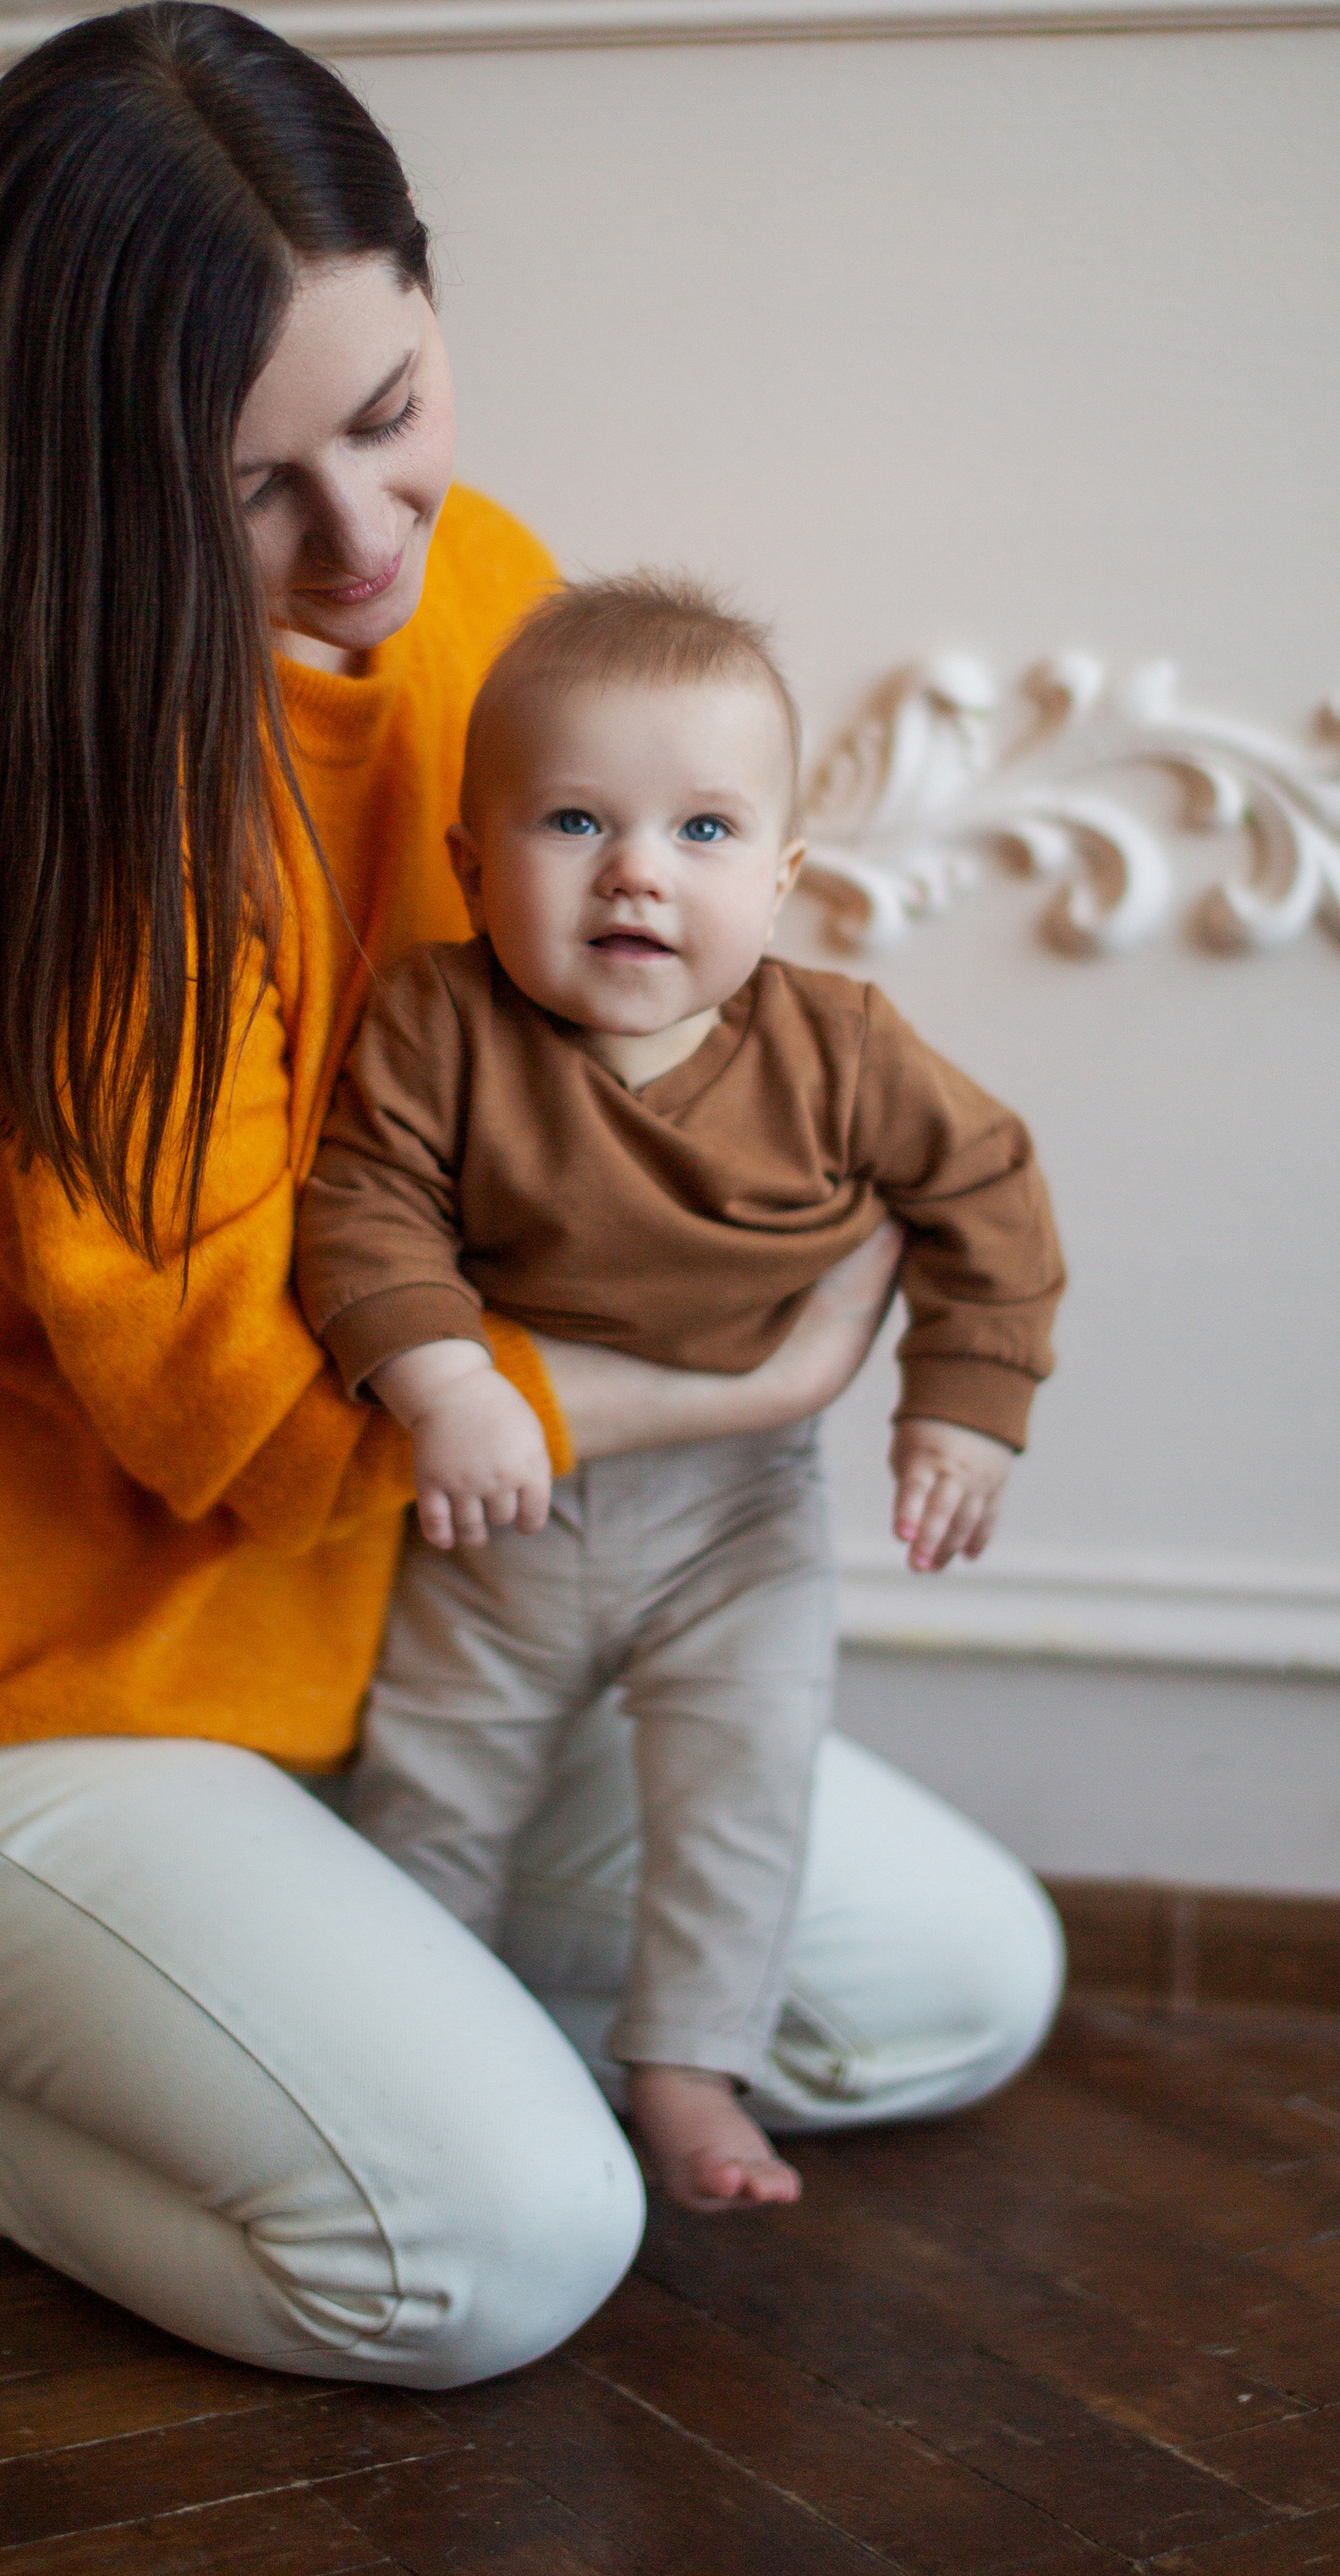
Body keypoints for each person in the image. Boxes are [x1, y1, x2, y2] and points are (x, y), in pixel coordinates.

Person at [0, 0, 1068, 2393]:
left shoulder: (490, 603)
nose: (365, 546)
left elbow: (598, 1071)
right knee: (492, 2254)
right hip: (19, 1687)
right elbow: (224, 1412)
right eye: (251, 487)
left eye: (390, 414)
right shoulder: (36, 806)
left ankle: (286, 2023)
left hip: (415, 1631)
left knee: (957, 1991)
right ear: (82, 479)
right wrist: (737, 1380)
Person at [295, 573, 1065, 2215]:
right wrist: (446, 1380)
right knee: (433, 1792)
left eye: (702, 832)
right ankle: (425, 2049)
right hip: (497, 1506)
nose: (637, 869)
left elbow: (985, 1189)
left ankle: (684, 2064)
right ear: (469, 862)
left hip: (737, 1519)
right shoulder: (435, 1020)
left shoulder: (837, 1050)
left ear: (781, 876)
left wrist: (962, 1401)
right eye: (574, 821)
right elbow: (358, 1212)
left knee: (737, 1786)